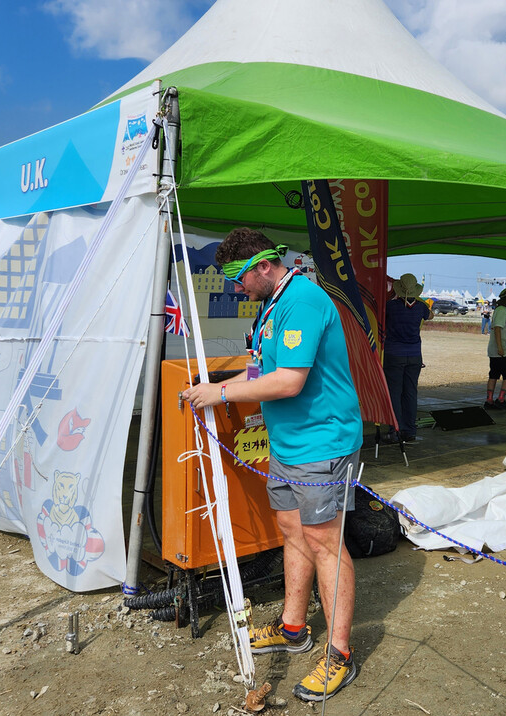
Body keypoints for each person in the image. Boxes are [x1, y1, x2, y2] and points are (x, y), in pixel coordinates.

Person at [182, 228, 362, 702]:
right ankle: (293, 627)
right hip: (288, 444)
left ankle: (340, 654)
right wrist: (219, 384)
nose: (235, 288)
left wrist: (218, 393)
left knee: (325, 543)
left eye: (239, 278)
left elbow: (288, 382)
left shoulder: (301, 300)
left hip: (323, 443)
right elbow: (261, 370)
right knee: (291, 532)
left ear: (264, 266)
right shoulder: (270, 304)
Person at [383, 274, 433, 442]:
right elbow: (430, 315)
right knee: (411, 393)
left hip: (394, 354)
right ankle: (410, 430)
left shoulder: (390, 306)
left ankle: (395, 429)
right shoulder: (421, 307)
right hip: (414, 355)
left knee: (395, 393)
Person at [485, 287, 506, 410]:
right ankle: (500, 399)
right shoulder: (502, 310)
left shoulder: (500, 309)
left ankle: (489, 401)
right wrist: (500, 348)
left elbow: (500, 327)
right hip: (500, 350)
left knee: (494, 374)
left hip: (494, 350)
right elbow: (498, 328)